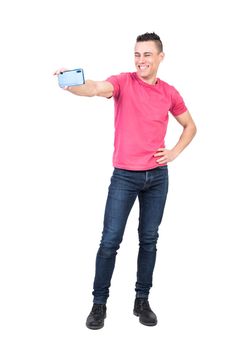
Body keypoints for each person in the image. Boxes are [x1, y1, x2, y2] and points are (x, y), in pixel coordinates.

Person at [54, 32, 197, 330]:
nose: (140, 60)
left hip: (158, 177)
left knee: (149, 240)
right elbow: (94, 87)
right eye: (136, 54)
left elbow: (190, 126)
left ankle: (141, 300)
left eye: (146, 55)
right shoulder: (123, 82)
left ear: (160, 57)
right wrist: (71, 84)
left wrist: (173, 152)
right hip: (125, 177)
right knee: (110, 241)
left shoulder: (169, 92)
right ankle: (99, 303)